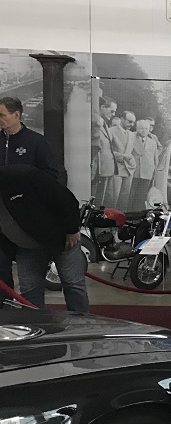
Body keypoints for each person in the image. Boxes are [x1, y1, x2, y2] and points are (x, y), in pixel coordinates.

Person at [0, 165, 89, 313]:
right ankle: (35, 324)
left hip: (62, 239)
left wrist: (72, 229)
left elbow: (64, 198)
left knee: (73, 284)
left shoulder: (22, 176)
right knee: (30, 290)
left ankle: (81, 323)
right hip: (26, 247)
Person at [0, 96, 60, 289]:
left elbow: (51, 175)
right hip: (1, 216)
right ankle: (4, 303)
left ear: (16, 115)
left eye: (2, 115)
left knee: (29, 278)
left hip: (26, 219)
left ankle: (31, 305)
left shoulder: (36, 142)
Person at [129, 119, 160, 210]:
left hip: (147, 173)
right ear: (137, 128)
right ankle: (129, 213)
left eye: (146, 129)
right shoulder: (131, 138)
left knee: (141, 197)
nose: (144, 130)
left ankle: (138, 214)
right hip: (134, 171)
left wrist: (155, 172)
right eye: (141, 128)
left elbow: (155, 159)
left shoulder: (152, 142)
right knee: (130, 195)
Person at [109, 110, 137, 209]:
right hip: (116, 169)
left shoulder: (132, 135)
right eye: (130, 121)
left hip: (129, 170)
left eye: (133, 122)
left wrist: (132, 162)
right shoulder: (111, 131)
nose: (132, 124)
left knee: (124, 199)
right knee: (113, 197)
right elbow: (107, 151)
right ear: (122, 119)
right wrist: (122, 156)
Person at [93, 96, 117, 206]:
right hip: (97, 170)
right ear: (102, 107)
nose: (113, 114)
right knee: (95, 200)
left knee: (101, 201)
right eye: (112, 111)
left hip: (105, 170)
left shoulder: (105, 124)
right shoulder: (95, 124)